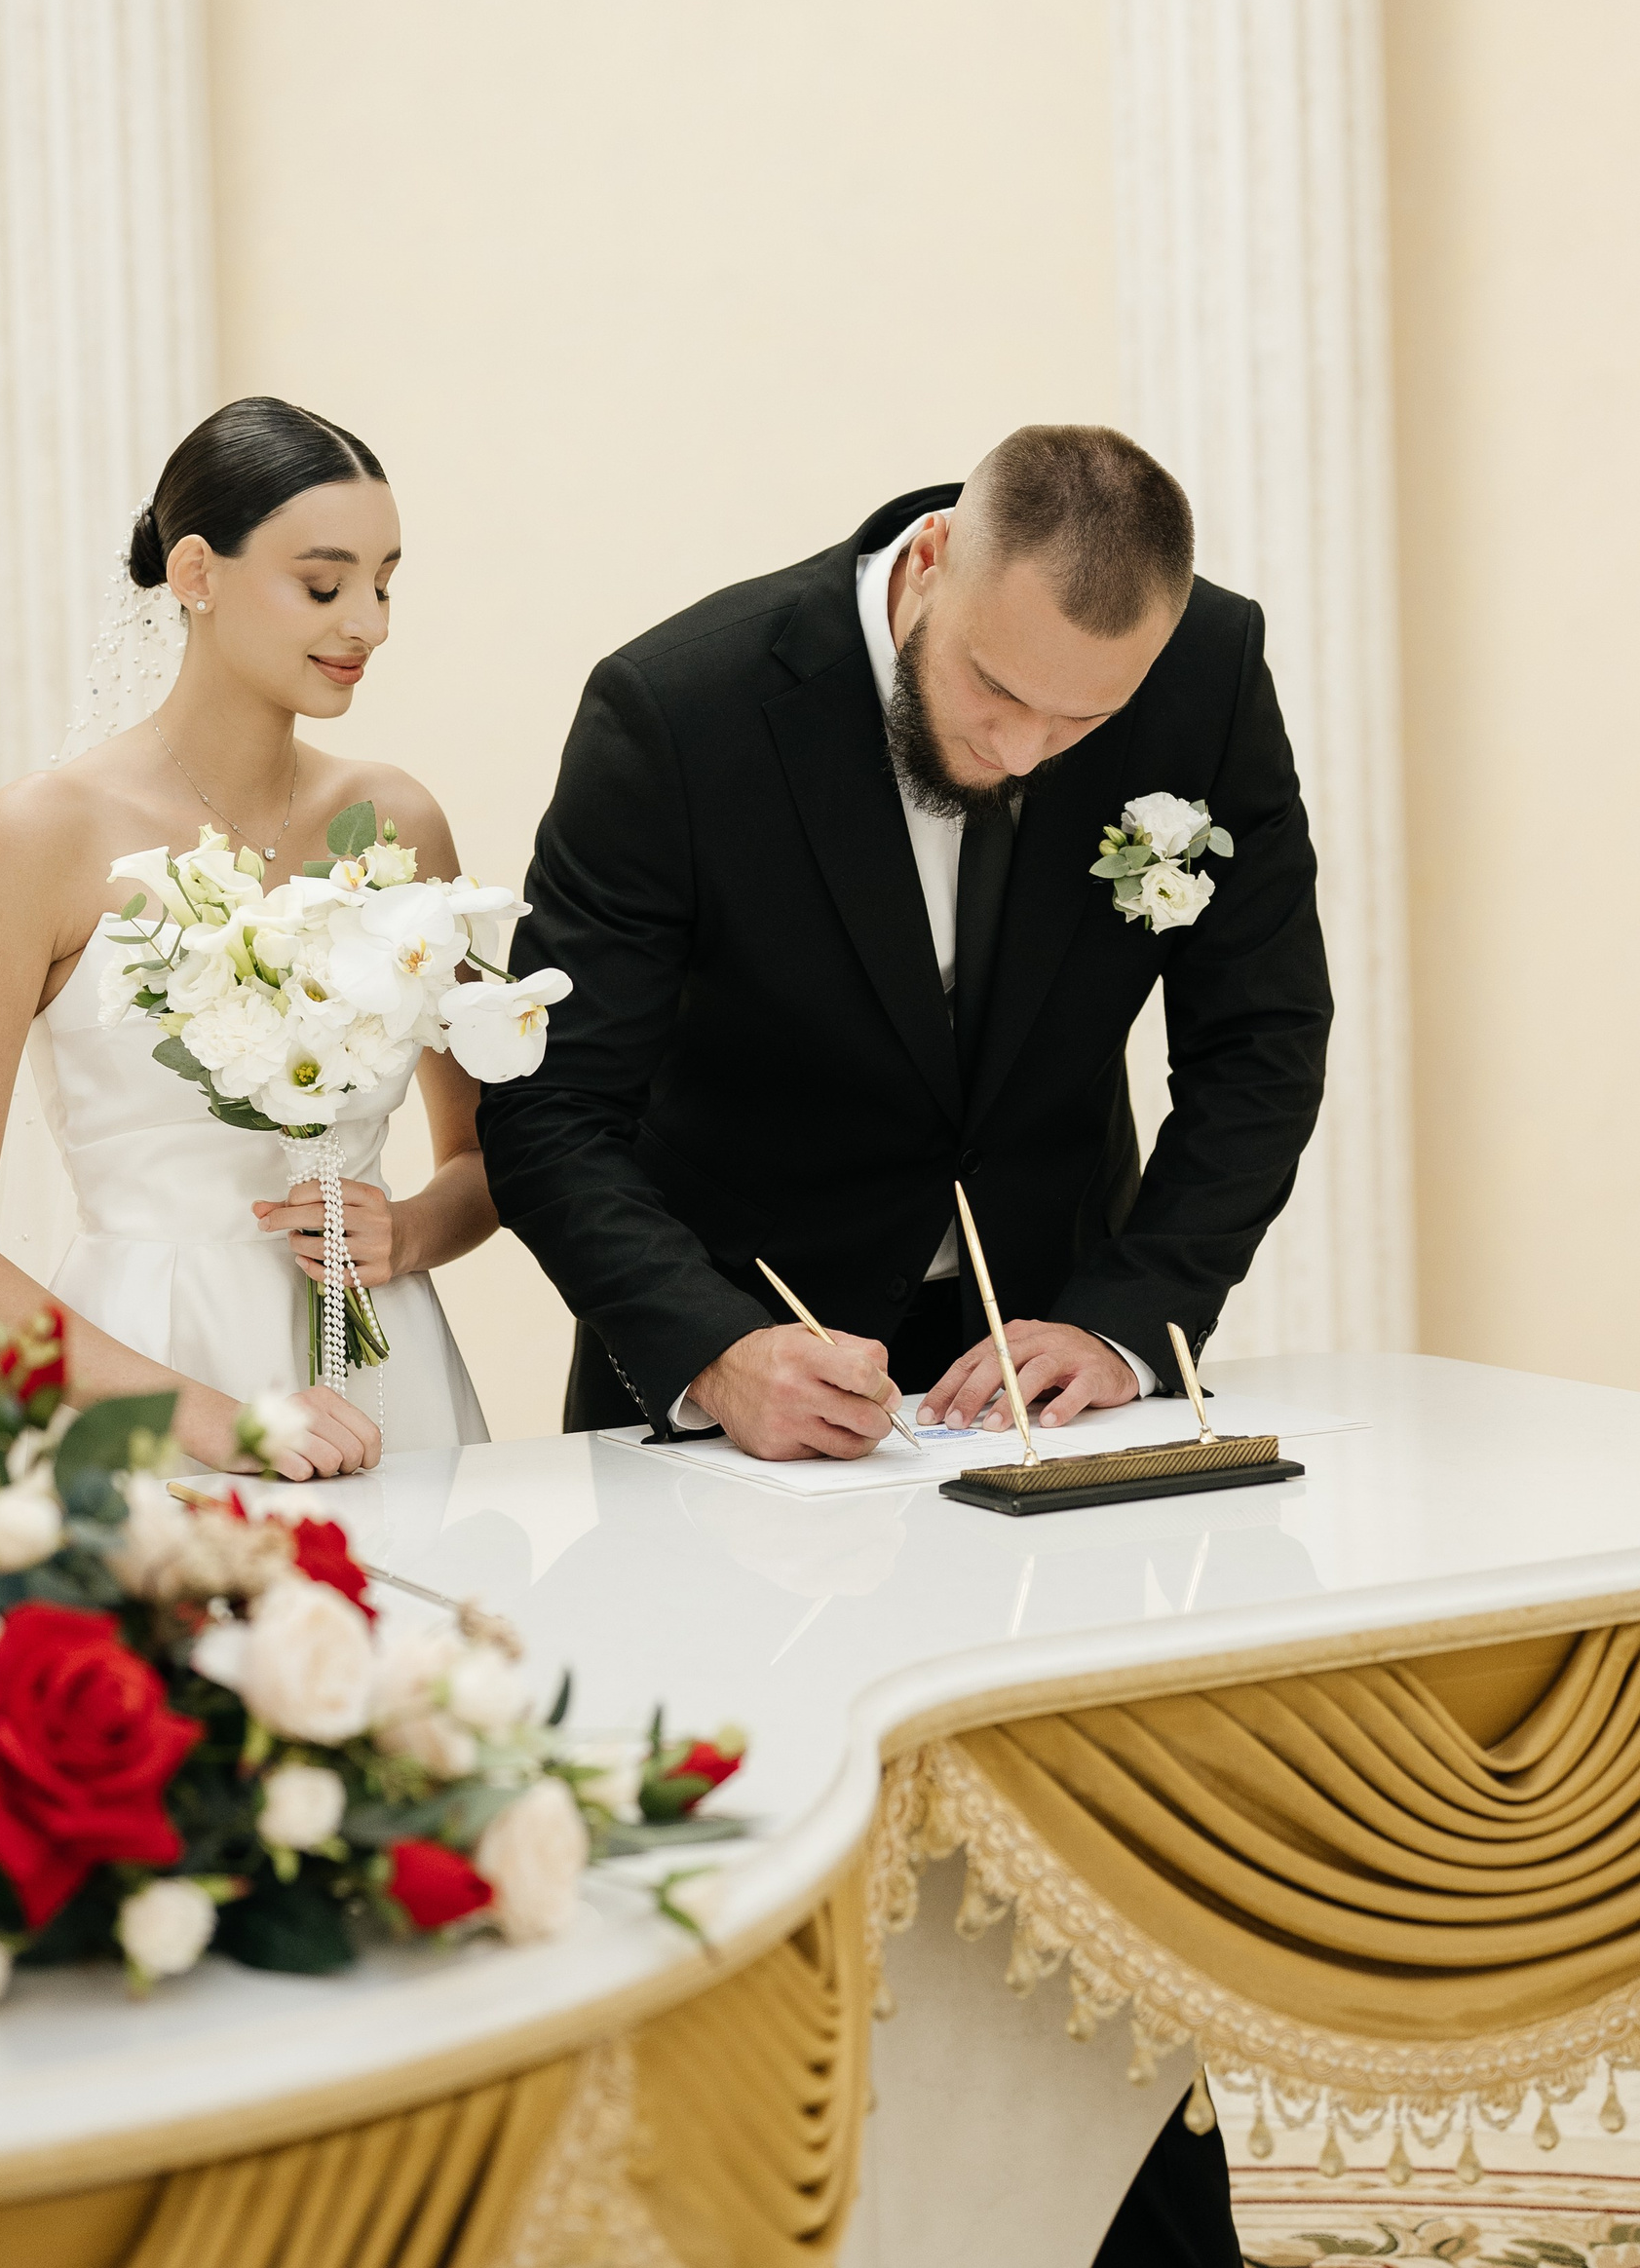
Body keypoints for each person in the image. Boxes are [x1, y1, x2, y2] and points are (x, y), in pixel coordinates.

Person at [481, 422, 1326, 2261]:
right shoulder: (680, 705)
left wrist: (1134, 1311)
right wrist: (711, 1349)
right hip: (734, 1379)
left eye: (1081, 726)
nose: (1028, 753)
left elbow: (1262, 1034)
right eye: (997, 699)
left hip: (1048, 1385)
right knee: (758, 1893)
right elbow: (551, 1111)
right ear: (933, 561)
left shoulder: (1208, 669)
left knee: (1095, 1891)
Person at [0, 397, 492, 1481]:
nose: (369, 624)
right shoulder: (43, 834)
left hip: (384, 1379)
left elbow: (491, 1159)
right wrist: (213, 1422)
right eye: (325, 586)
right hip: (148, 1382)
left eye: (385, 583)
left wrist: (410, 1229)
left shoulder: (399, 822)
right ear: (198, 573)